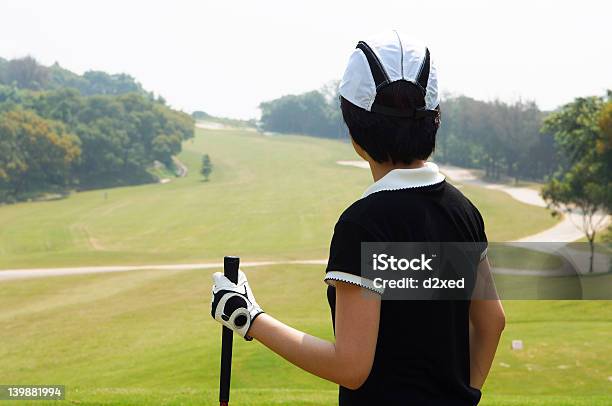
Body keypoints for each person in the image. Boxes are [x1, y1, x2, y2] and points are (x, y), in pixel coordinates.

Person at [210, 30, 505, 405]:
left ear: (354, 131)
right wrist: (466, 394)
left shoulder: (363, 226)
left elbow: (351, 366)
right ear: (435, 120)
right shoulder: (464, 212)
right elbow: (492, 323)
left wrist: (248, 318)